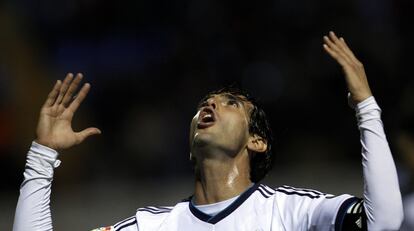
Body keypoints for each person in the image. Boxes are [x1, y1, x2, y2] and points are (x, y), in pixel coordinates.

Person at [13, 32, 403, 231]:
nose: (210, 105)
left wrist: (366, 106)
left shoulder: (289, 211)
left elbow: (384, 223)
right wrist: (43, 154)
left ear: (257, 140)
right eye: (206, 102)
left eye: (231, 102)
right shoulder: (154, 225)